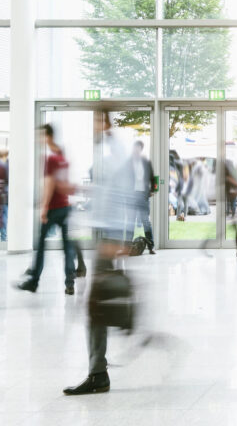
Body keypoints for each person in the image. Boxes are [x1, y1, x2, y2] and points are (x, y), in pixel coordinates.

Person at [64, 113, 129, 395]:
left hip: (107, 237)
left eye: (95, 120)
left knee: (96, 310)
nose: (92, 127)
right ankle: (98, 367)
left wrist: (117, 239)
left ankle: (98, 373)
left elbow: (122, 195)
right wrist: (82, 188)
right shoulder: (109, 151)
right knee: (98, 308)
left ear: (104, 121)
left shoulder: (115, 153)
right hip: (104, 235)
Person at [17, 124, 77, 295]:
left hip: (54, 208)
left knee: (41, 245)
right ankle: (69, 283)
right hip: (65, 207)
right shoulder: (62, 157)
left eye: (41, 135)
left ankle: (34, 281)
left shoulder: (51, 159)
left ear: (48, 136)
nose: (39, 139)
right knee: (67, 248)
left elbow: (50, 184)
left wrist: (44, 207)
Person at [128, 141, 156, 254]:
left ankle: (151, 246)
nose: (136, 150)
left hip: (143, 196)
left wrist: (153, 190)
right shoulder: (128, 162)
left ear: (141, 149)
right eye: (135, 148)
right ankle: (128, 246)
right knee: (130, 222)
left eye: (138, 148)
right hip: (131, 196)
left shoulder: (146, 162)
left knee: (146, 222)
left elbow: (153, 178)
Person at [0, 149, 7, 242]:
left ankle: (3, 236)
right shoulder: (3, 166)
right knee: (3, 216)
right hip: (2, 196)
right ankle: (3, 237)